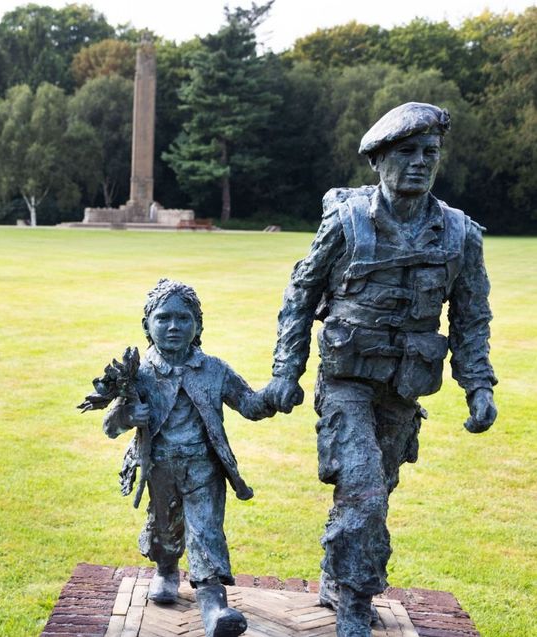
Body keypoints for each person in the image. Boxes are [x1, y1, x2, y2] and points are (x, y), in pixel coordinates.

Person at [261, 103, 497, 637]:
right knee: (364, 489)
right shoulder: (345, 222)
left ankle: (334, 575)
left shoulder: (460, 234)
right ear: (379, 159)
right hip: (346, 381)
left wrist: (477, 385)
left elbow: (471, 316)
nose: (419, 163)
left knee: (374, 490)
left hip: (405, 387)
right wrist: (286, 371)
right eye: (406, 153)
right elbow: (301, 295)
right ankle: (354, 605)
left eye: (429, 154)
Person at [100, 279, 273, 637]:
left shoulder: (214, 369)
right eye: (163, 318)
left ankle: (214, 604)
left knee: (206, 531)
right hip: (159, 465)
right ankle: (165, 570)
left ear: (198, 325)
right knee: (165, 526)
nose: (174, 326)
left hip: (203, 467)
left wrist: (276, 394)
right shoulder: (140, 374)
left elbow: (250, 404)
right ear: (147, 325)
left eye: (183, 318)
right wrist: (127, 417)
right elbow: (109, 425)